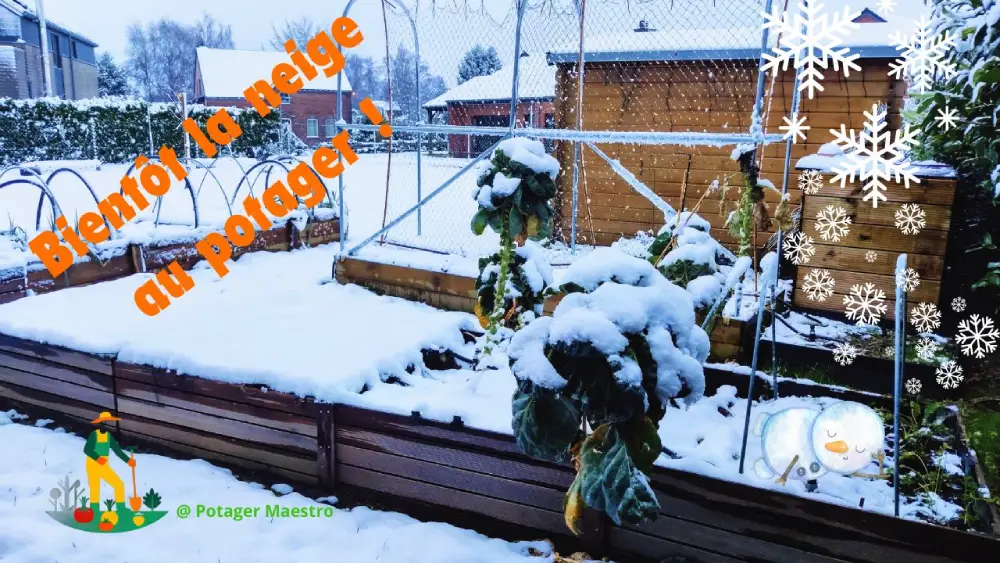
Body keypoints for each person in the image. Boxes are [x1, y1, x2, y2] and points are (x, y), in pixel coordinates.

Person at [83, 411, 135, 516]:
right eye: (103, 422)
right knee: (95, 488)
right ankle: (95, 512)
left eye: (107, 422)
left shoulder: (108, 436)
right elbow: (87, 449)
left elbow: (117, 451)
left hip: (104, 466)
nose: (105, 425)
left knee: (119, 484)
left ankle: (121, 509)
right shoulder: (94, 435)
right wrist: (97, 458)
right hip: (92, 465)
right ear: (100, 423)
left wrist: (128, 461)